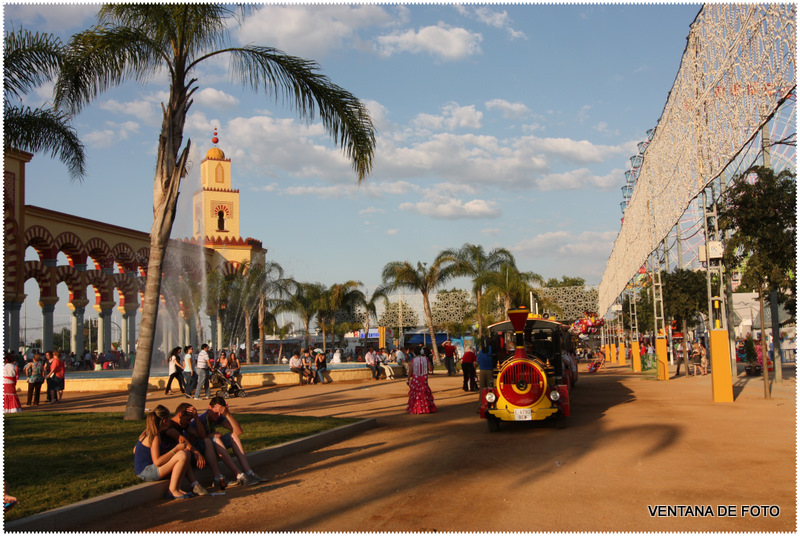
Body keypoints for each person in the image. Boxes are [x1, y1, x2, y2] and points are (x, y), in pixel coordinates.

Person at [133, 404, 209, 500]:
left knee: (185, 453)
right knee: (181, 455)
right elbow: (157, 462)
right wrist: (176, 449)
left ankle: (178, 488)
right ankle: (172, 490)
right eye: (169, 419)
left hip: (150, 469)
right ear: (164, 421)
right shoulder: (154, 436)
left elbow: (135, 449)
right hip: (146, 471)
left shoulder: (150, 432)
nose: (170, 421)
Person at [188, 396, 267, 486]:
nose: (218, 416)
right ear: (209, 407)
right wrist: (209, 436)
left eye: (220, 414)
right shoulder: (200, 419)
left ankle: (249, 472)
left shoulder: (219, 417)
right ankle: (239, 475)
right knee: (215, 439)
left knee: (233, 436)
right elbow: (191, 440)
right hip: (197, 452)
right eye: (216, 413)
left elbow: (238, 431)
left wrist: (227, 414)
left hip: (210, 446)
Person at [406, 348, 436, 414]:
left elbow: (410, 371)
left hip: (416, 378)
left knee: (416, 393)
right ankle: (426, 407)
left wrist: (408, 380)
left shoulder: (413, 360)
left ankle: (416, 408)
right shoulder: (426, 359)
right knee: (424, 392)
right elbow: (430, 369)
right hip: (424, 378)